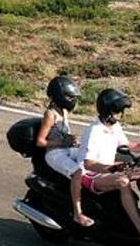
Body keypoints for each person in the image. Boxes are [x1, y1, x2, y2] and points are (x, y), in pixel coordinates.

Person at [77, 89, 140, 240]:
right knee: (123, 182)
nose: (120, 114)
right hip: (89, 175)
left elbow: (127, 145)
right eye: (118, 111)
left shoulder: (114, 127)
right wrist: (113, 168)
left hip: (107, 170)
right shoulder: (93, 131)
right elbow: (88, 163)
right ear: (107, 111)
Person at [35, 76, 92, 227]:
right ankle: (77, 214)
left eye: (74, 98)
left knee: (92, 159)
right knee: (78, 173)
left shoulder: (64, 111)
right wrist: (62, 142)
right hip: (54, 153)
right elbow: (40, 141)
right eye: (70, 97)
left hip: (67, 149)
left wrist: (75, 141)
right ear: (59, 96)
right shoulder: (50, 114)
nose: (73, 101)